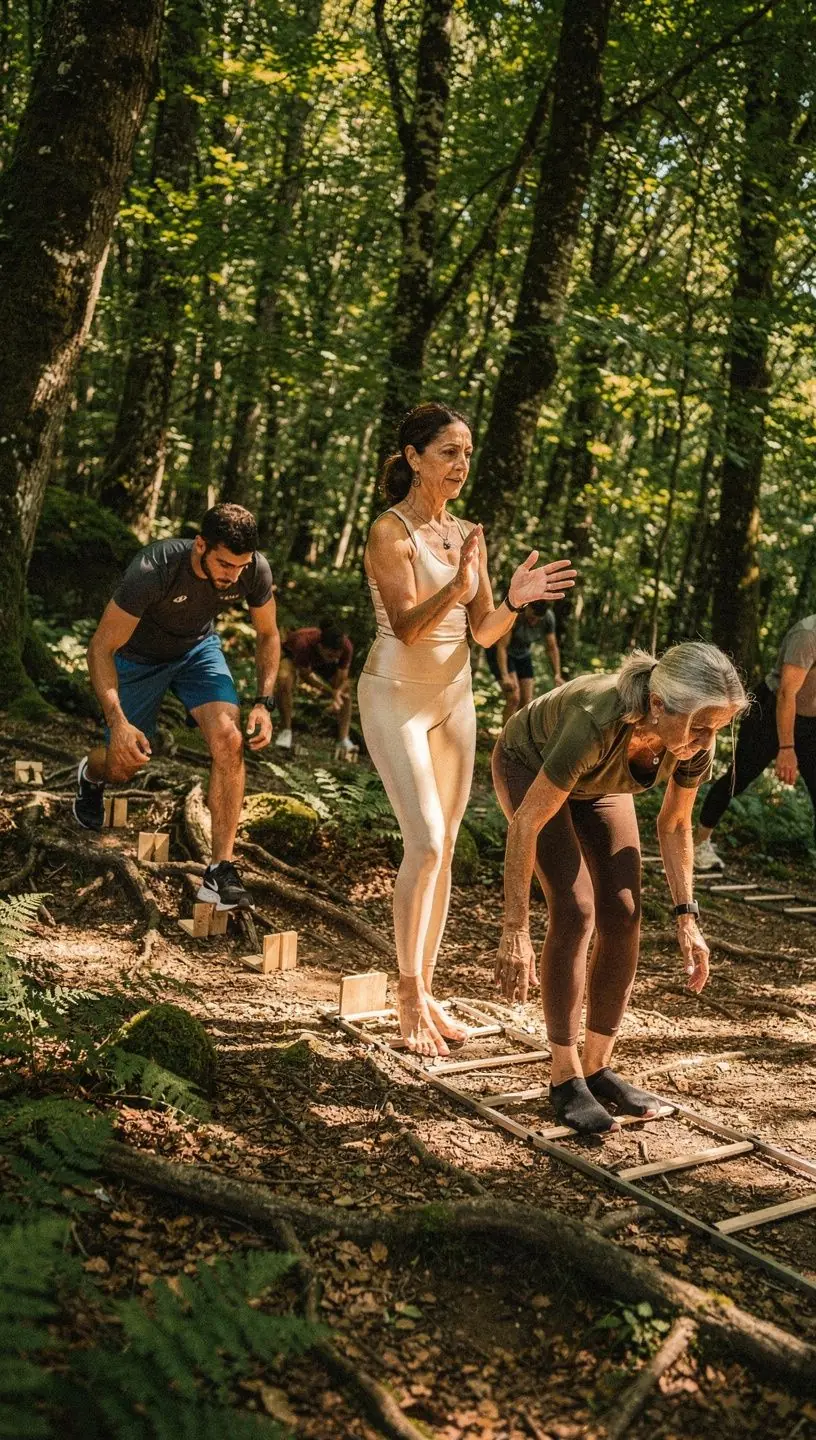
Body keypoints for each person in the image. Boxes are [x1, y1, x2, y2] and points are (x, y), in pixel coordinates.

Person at [359, 402, 576, 1057]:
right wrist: (456, 587)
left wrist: (510, 600)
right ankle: (406, 995)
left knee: (447, 847)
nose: (461, 465)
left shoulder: (466, 533)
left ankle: (426, 989)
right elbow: (405, 626)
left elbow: (483, 632)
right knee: (424, 842)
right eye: (449, 452)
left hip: (455, 700)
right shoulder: (389, 531)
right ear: (413, 457)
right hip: (394, 694)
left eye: (467, 454)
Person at [492, 643, 746, 1134]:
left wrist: (687, 917)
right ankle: (564, 1077)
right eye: (699, 726)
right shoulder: (596, 719)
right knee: (576, 909)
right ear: (658, 705)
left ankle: (597, 1067)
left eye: (717, 728)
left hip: (599, 785)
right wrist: (515, 929)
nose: (706, 739)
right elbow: (526, 824)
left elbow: (675, 824)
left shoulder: (695, 741)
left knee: (625, 913)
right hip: (531, 764)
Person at [74, 503, 280, 910]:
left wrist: (264, 702)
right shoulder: (154, 569)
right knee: (122, 767)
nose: (232, 575)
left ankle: (220, 870)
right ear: (200, 545)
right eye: (224, 564)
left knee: (229, 739)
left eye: (240, 566)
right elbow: (100, 647)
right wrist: (118, 721)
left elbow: (269, 634)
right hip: (137, 659)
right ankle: (90, 774)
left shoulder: (254, 570)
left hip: (197, 651)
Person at [695, 615, 816, 871]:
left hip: (811, 720)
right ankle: (698, 844)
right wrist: (787, 748)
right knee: (739, 777)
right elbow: (786, 694)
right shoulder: (808, 635)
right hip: (770, 712)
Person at [274, 621, 357, 759]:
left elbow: (342, 679)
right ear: (320, 647)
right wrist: (330, 692)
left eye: (337, 657)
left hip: (321, 663)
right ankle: (285, 730)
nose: (334, 659)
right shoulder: (302, 643)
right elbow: (305, 675)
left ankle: (343, 739)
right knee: (284, 681)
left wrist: (338, 695)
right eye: (331, 655)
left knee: (346, 694)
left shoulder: (346, 647)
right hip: (292, 655)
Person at [485, 600, 563, 726]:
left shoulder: (548, 618)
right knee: (514, 697)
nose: (534, 622)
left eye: (538, 619)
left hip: (522, 653)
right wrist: (505, 676)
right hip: (501, 652)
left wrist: (557, 674)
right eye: (532, 618)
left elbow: (552, 647)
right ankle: (505, 737)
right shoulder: (516, 614)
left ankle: (517, 734)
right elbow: (502, 647)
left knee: (527, 701)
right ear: (528, 608)